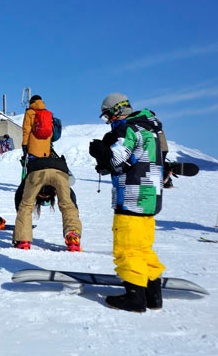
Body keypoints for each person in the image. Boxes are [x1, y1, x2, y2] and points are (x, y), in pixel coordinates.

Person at [89, 93, 165, 312]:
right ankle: (153, 294)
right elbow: (134, 161)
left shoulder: (127, 129)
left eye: (106, 116)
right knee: (143, 247)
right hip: (150, 197)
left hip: (132, 196)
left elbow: (116, 159)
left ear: (116, 110)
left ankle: (135, 297)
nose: (108, 121)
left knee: (127, 248)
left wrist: (99, 151)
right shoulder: (149, 129)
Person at [12, 156, 81, 251]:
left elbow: (19, 198)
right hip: (59, 170)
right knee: (68, 206)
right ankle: (73, 237)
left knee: (26, 205)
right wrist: (75, 210)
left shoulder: (26, 182)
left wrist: (20, 220)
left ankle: (23, 240)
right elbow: (71, 200)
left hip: (37, 170)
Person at [21, 95, 52, 159]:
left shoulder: (29, 112)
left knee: (33, 167)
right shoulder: (47, 113)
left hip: (34, 149)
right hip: (46, 149)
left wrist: (24, 144)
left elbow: (26, 130)